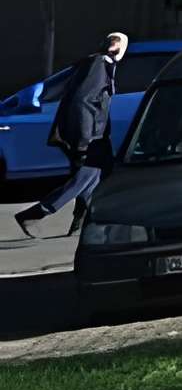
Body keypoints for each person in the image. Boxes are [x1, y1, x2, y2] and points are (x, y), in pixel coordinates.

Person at [16, 32, 127, 239]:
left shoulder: (102, 65)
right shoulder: (98, 65)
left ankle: (83, 222)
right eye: (115, 44)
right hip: (88, 136)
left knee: (95, 178)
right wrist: (85, 139)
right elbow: (82, 101)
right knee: (86, 177)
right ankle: (35, 214)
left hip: (96, 134)